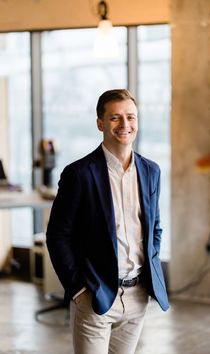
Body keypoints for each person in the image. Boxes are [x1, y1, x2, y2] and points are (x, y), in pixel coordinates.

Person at [46, 89, 169, 354]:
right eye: (115, 118)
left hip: (138, 293)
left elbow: (154, 228)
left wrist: (151, 269)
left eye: (130, 117)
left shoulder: (151, 171)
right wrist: (78, 289)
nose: (125, 125)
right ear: (100, 122)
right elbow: (58, 235)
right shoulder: (78, 174)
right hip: (95, 294)